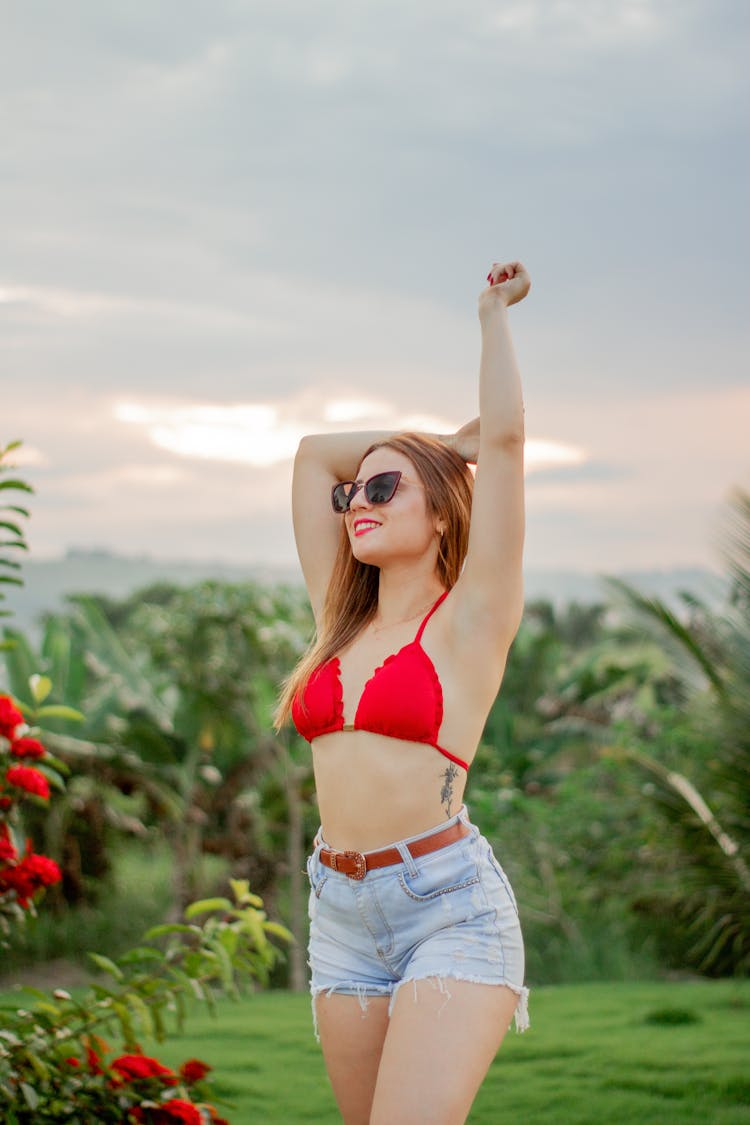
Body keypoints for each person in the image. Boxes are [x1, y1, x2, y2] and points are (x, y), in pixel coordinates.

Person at [274, 260, 530, 1125]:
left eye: (386, 489)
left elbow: (503, 445)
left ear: (445, 514)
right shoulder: (338, 620)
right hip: (340, 910)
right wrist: (423, 445)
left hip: (447, 905)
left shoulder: (470, 621)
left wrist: (491, 316)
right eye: (356, 493)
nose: (356, 501)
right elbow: (314, 456)